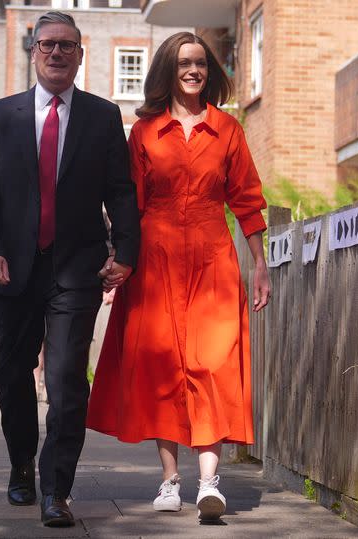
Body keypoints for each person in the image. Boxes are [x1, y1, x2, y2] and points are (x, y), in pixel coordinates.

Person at [86, 32, 271, 522]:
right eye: (185, 63)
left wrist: (261, 265)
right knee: (163, 368)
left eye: (201, 65)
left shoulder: (228, 130)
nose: (194, 71)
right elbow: (128, 205)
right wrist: (121, 261)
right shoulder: (145, 133)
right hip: (156, 260)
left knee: (213, 363)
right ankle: (170, 480)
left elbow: (248, 200)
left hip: (213, 259)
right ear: (168, 70)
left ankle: (209, 482)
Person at [0, 11, 140, 528]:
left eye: (68, 45)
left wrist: (125, 252)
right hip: (13, 270)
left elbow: (121, 192)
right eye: (48, 44)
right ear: (34, 52)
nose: (57, 53)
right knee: (11, 372)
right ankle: (22, 461)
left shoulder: (102, 116)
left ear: (81, 55)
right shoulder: (2, 115)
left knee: (66, 379)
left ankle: (56, 488)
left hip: (76, 268)